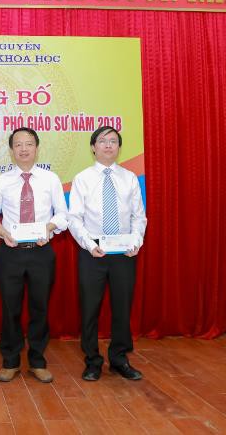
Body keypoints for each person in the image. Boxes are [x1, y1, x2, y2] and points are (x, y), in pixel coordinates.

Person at [68, 126, 147, 382]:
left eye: (113, 141)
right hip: (93, 252)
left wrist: (136, 241)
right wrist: (89, 244)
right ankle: (92, 360)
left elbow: (139, 216)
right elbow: (74, 218)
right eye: (103, 141)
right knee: (89, 308)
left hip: (124, 253)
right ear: (93, 147)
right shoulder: (82, 178)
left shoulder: (130, 178)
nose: (108, 145)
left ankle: (119, 358)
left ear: (119, 147)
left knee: (122, 308)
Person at [0, 127, 68, 383]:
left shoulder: (50, 179)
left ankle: (37, 360)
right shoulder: (1, 181)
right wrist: (3, 232)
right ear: (11, 150)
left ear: (37, 148)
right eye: (18, 145)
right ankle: (10, 361)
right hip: (10, 251)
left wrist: (49, 227)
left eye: (29, 144)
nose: (23, 149)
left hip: (41, 252)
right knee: (10, 308)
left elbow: (62, 214)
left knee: (39, 307)